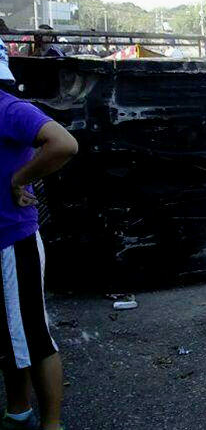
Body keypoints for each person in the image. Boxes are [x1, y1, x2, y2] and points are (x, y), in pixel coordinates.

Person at [0, 38, 78, 430]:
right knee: (9, 336)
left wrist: (19, 178)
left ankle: (52, 425)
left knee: (33, 334)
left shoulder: (7, 108)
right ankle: (18, 412)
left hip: (14, 242)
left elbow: (64, 144)